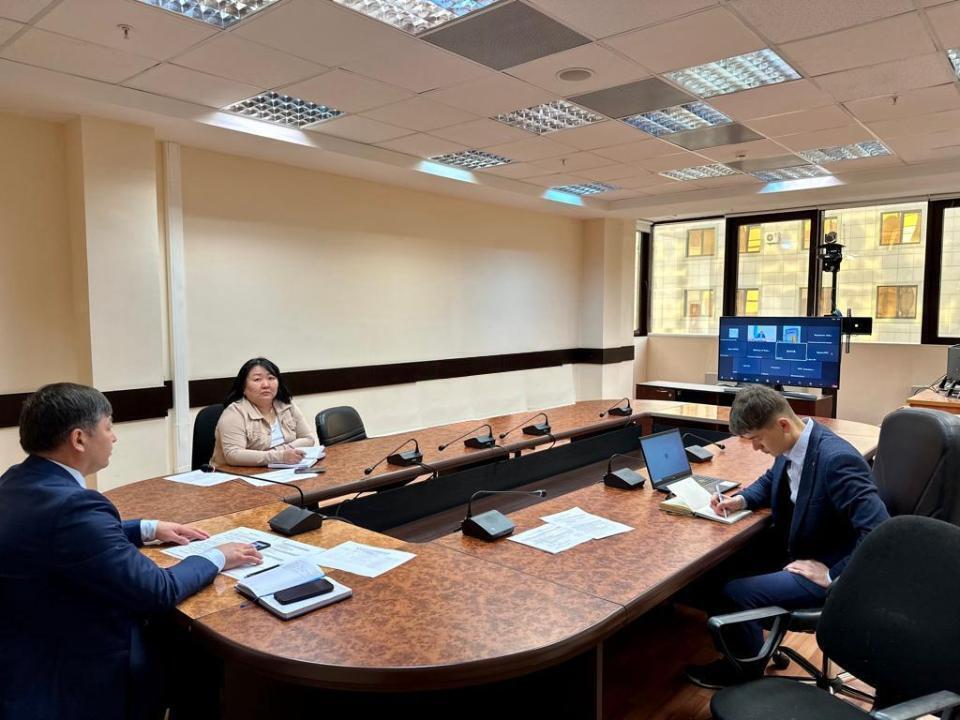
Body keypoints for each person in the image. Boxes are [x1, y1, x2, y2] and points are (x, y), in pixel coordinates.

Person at [0, 383, 264, 720]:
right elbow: (158, 590)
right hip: (78, 667)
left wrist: (147, 528)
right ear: (79, 439)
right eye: (108, 427)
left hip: (25, 644)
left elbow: (59, 535)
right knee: (200, 648)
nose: (114, 438)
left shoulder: (16, 481)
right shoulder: (75, 508)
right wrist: (218, 556)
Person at [686, 385, 889, 689]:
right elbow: (771, 481)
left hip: (827, 566)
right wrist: (740, 500)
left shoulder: (836, 460)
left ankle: (744, 676)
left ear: (782, 425)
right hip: (800, 548)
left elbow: (880, 530)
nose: (756, 448)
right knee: (716, 570)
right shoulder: (794, 443)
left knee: (737, 593)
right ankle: (744, 653)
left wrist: (832, 575)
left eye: (757, 439)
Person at [211, 357, 318, 467]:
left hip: (282, 469)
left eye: (271, 378)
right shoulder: (234, 413)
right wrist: (280, 456)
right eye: (257, 379)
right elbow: (233, 455)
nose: (266, 385)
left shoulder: (286, 405)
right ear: (243, 387)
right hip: (238, 474)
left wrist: (282, 451)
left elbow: (308, 439)